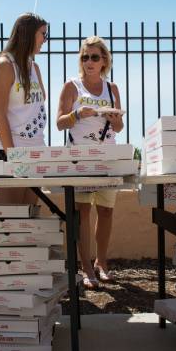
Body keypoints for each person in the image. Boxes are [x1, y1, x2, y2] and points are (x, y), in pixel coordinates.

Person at [56, 36, 124, 289]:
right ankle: (85, 268)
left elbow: (119, 126)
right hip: (80, 159)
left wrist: (113, 116)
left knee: (106, 211)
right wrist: (76, 114)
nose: (89, 62)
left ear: (104, 60)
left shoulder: (112, 88)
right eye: (85, 57)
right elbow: (60, 122)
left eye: (94, 57)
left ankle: (101, 263)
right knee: (82, 212)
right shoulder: (72, 86)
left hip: (107, 156)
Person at [0, 13, 49, 204]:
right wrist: (13, 156)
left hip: (35, 152)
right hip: (9, 153)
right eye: (43, 34)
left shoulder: (34, 67)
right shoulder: (4, 65)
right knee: (13, 221)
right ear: (29, 34)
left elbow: (39, 102)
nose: (45, 40)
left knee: (29, 218)